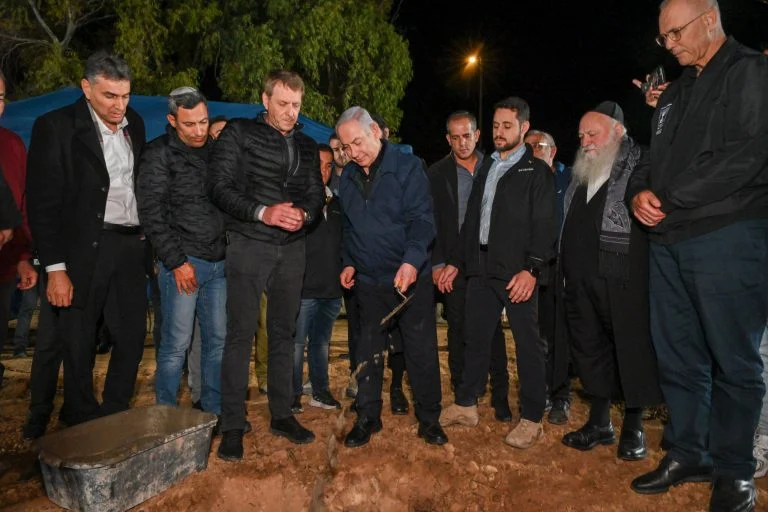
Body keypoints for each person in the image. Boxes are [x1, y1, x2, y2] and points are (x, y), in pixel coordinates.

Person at [626, 1, 768, 510]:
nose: (670, 44)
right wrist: (637, 193)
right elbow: (648, 159)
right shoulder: (674, 93)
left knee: (734, 359)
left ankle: (735, 472)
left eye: (676, 32)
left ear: (710, 16)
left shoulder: (750, 71)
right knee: (679, 356)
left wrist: (672, 196)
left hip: (727, 235)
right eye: (663, 37)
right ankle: (690, 452)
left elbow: (750, 154)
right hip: (667, 241)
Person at [26, 51, 149, 427]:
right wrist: (56, 269)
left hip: (130, 246)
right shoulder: (56, 126)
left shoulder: (136, 124)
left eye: (125, 96)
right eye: (110, 96)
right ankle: (79, 417)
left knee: (131, 335)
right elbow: (42, 204)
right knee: (77, 341)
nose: (119, 105)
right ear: (86, 88)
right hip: (82, 250)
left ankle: (113, 413)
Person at [209, 70, 324, 461]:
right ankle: (232, 424)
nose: (291, 113)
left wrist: (304, 216)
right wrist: (264, 212)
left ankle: (281, 414)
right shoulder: (238, 133)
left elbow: (314, 194)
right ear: (265, 99)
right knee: (240, 336)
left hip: (293, 249)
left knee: (283, 334)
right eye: (283, 104)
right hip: (248, 245)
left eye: (296, 105)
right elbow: (219, 187)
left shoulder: (308, 145)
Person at [439, 97, 556, 450]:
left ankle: (532, 417)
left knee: (527, 344)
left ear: (523, 128)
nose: (499, 132)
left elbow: (546, 225)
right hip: (480, 268)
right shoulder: (488, 166)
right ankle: (466, 404)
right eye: (495, 126)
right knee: (475, 338)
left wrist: (532, 268)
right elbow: (472, 220)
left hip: (517, 271)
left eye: (507, 126)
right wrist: (457, 261)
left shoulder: (536, 172)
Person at [336, 106, 447, 448]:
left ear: (377, 132)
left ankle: (429, 419)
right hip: (369, 282)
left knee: (420, 351)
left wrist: (412, 262)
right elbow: (349, 227)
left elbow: (422, 222)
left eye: (357, 143)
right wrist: (349, 261)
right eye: (346, 148)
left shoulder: (409, 168)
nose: (353, 153)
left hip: (409, 280)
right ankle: (368, 417)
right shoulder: (348, 177)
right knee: (367, 351)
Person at [558, 102, 662, 460]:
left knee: (630, 350)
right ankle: (600, 423)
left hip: (624, 279)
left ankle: (633, 428)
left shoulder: (643, 161)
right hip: (581, 278)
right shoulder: (581, 172)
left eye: (593, 133)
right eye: (582, 135)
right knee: (589, 349)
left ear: (618, 130)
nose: (585, 141)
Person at [137, 87, 226, 420]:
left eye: (203, 122)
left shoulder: (217, 151)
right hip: (184, 264)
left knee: (216, 341)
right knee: (176, 344)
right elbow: (152, 213)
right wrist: (176, 262)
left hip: (219, 262)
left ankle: (212, 410)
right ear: (172, 120)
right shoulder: (158, 154)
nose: (200, 131)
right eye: (190, 124)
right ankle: (166, 416)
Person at [429, 110, 511, 422]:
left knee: (493, 332)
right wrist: (437, 263)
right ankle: (465, 394)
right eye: (455, 137)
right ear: (448, 139)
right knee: (458, 329)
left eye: (467, 135)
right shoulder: (436, 173)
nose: (462, 142)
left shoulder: (498, 168)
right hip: (452, 265)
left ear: (477, 135)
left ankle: (500, 395)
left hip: (491, 262)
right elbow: (431, 222)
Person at [523, 129, 573, 424]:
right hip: (531, 268)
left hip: (561, 268)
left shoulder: (569, 178)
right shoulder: (522, 179)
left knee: (558, 336)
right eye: (528, 146)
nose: (533, 150)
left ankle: (560, 396)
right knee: (534, 336)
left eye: (539, 146)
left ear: (552, 151)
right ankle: (537, 391)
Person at [291, 144, 343, 412]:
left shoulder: (336, 202)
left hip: (332, 290)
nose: (324, 171)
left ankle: (320, 391)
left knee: (321, 345)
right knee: (297, 345)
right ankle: (291, 397)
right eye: (319, 165)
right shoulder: (296, 202)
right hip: (304, 289)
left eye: (329, 165)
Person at [0, 69, 37, 359]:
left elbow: (22, 205)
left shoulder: (12, 145)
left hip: (4, 268)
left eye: (0, 97)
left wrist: (23, 259)